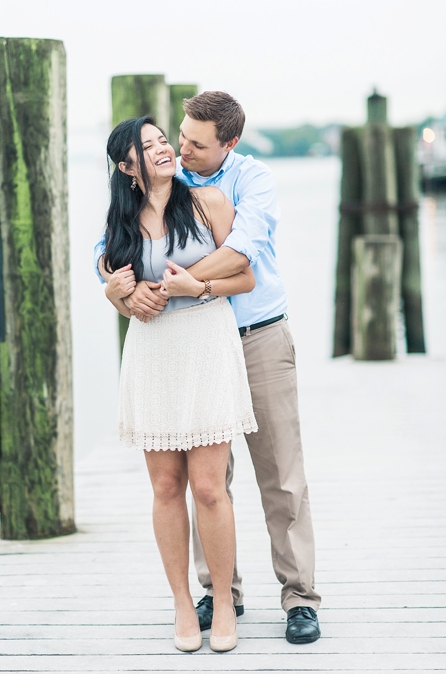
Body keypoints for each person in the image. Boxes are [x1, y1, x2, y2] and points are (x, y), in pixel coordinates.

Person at [95, 92, 321, 644]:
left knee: (280, 475)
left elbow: (246, 251)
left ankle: (299, 598)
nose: (182, 148)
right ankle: (221, 593)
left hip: (257, 335)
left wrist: (185, 286)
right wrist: (118, 290)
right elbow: (110, 245)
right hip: (181, 350)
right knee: (205, 482)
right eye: (178, 136)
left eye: (195, 143)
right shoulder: (169, 183)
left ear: (229, 144)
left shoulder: (249, 182)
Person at [102, 116, 256, 652]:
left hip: (207, 343)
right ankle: (183, 605)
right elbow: (116, 282)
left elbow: (247, 277)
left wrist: (200, 285)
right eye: (148, 147)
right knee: (166, 487)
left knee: (210, 488)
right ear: (128, 167)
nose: (164, 148)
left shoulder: (209, 202)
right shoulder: (120, 222)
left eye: (163, 140)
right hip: (153, 353)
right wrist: (117, 295)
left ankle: (224, 609)